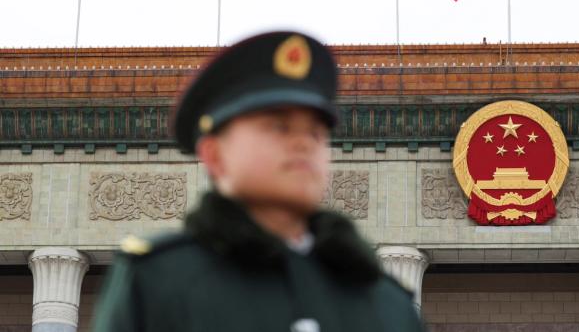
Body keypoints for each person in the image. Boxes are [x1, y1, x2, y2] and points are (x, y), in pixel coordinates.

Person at [91, 31, 425, 332]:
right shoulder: (162, 282)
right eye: (279, 126)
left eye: (315, 132)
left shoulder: (386, 303)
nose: (303, 143)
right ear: (214, 154)